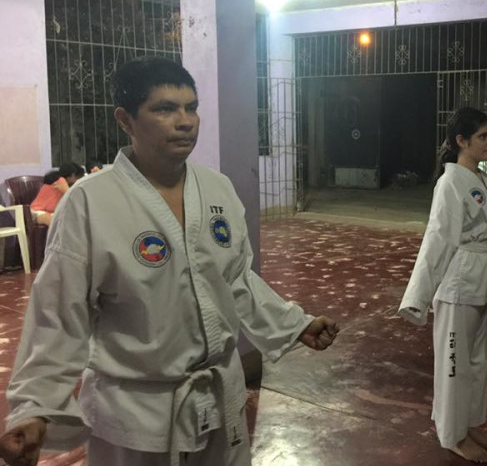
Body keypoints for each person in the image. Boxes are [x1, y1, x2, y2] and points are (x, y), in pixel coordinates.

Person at [0, 56, 339, 466]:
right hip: (136, 414)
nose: (185, 122)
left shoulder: (217, 188)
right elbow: (58, 311)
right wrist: (34, 407)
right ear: (125, 120)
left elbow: (235, 280)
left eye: (191, 107)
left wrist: (293, 323)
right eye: (164, 109)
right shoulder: (90, 202)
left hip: (220, 399)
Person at [399, 107, 487, 463]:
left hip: (483, 281)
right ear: (461, 141)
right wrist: (418, 296)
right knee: (454, 364)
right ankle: (452, 435)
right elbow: (437, 238)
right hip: (458, 285)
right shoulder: (450, 183)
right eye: (483, 137)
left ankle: (470, 424)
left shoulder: (483, 181)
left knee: (478, 361)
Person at [29, 162, 85, 226]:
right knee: (51, 219)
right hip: (37, 212)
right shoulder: (60, 181)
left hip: (49, 212)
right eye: (79, 177)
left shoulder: (67, 184)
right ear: (72, 175)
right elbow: (73, 199)